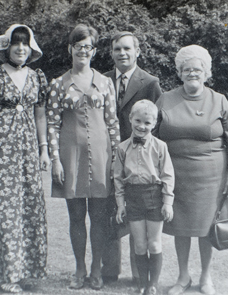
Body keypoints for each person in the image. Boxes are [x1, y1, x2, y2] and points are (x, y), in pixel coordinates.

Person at [155, 45, 228, 295]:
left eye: (197, 69)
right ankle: (183, 278)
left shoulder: (219, 100)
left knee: (206, 228)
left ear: (206, 72)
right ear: (179, 73)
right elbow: (151, 133)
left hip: (211, 175)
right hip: (174, 174)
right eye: (187, 69)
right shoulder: (166, 98)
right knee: (179, 226)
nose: (192, 73)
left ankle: (206, 277)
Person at [0, 24, 50, 293]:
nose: (20, 48)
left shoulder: (38, 77)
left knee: (28, 210)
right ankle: (3, 276)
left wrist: (43, 149)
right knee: (3, 211)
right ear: (7, 47)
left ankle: (23, 272)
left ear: (31, 48)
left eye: (25, 43)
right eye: (15, 43)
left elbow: (40, 115)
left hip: (28, 151)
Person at [46, 24, 120, 291]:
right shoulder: (57, 84)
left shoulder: (105, 83)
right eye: (78, 46)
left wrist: (117, 159)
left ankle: (97, 269)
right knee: (76, 217)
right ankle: (79, 268)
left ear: (94, 50)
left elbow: (113, 124)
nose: (83, 51)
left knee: (99, 217)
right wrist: (55, 159)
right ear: (70, 49)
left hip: (102, 157)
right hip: (70, 157)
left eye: (88, 46)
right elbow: (52, 124)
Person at [102, 31, 163, 285]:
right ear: (111, 52)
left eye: (127, 48)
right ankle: (110, 271)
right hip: (107, 157)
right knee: (110, 214)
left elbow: (156, 124)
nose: (122, 53)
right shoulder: (101, 80)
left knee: (139, 221)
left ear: (138, 51)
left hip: (139, 161)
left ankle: (140, 277)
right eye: (117, 49)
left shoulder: (150, 82)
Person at [114, 100, 175, 295]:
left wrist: (167, 202)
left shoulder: (160, 146)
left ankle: (152, 285)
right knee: (139, 244)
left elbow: (168, 175)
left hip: (154, 196)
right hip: (133, 197)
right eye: (138, 120)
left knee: (154, 243)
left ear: (154, 123)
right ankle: (142, 282)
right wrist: (120, 205)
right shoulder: (122, 148)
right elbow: (118, 179)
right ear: (130, 119)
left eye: (147, 123)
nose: (142, 126)